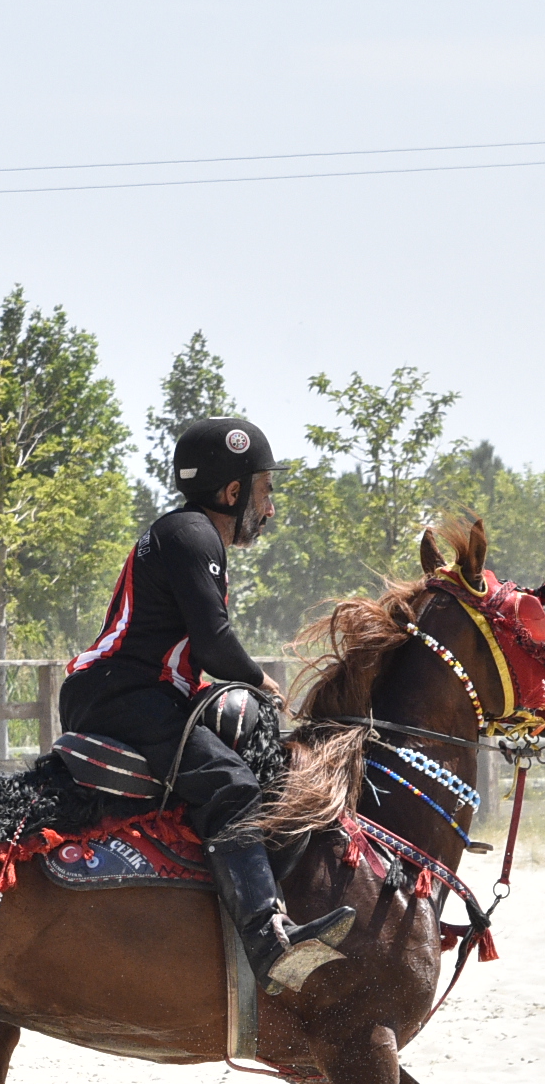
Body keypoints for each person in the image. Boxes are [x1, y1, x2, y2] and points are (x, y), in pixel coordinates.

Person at [61, 416, 355, 992]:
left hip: (127, 689)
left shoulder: (184, 533)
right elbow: (214, 644)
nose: (268, 509)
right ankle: (267, 942)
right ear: (232, 491)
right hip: (124, 694)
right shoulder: (195, 535)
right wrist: (261, 681)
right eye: (264, 492)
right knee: (230, 782)